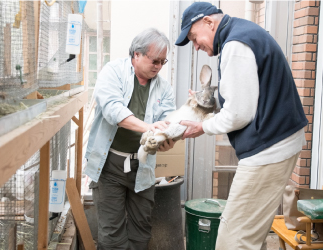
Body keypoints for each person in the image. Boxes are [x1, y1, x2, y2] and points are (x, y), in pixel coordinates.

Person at [175, 2, 308, 250]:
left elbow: (238, 114)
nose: (195, 46)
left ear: (208, 22)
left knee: (233, 240)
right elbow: (249, 97)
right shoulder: (242, 34)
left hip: (269, 148)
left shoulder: (235, 46)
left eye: (194, 37)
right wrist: (209, 105)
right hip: (277, 142)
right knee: (250, 234)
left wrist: (201, 127)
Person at [84, 28, 176, 250]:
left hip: (142, 166)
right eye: (155, 60)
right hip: (110, 165)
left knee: (141, 231)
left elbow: (168, 119)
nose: (158, 66)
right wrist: (148, 127)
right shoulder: (113, 72)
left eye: (163, 62)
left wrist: (167, 137)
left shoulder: (163, 87)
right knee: (111, 233)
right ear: (137, 54)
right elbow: (112, 110)